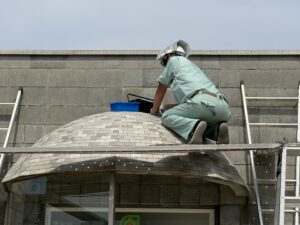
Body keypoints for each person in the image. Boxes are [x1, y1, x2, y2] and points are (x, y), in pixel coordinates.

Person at [150, 40, 231, 144]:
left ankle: (193, 129)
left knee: (167, 116)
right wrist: (167, 106)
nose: (165, 65)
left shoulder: (173, 61)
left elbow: (161, 88)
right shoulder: (191, 66)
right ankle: (218, 131)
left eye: (164, 61)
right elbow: (191, 104)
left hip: (202, 104)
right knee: (203, 123)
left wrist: (155, 110)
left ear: (168, 55)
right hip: (223, 108)